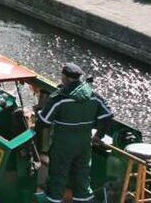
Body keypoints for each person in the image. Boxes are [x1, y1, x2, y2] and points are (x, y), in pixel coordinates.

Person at [34, 63, 113, 203]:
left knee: (58, 177)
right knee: (82, 178)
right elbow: (108, 115)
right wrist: (98, 136)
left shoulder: (59, 98)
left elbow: (43, 122)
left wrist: (40, 113)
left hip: (63, 145)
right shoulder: (94, 96)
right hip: (84, 144)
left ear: (64, 78)